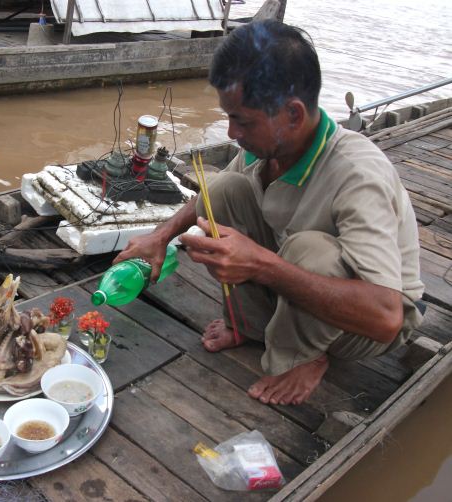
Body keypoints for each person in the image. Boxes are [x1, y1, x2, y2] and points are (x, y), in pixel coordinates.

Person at [113, 20, 424, 406]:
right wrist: (159, 237)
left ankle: (304, 357)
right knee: (224, 190)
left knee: (313, 252)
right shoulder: (268, 147)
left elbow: (386, 317)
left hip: (366, 327)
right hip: (303, 274)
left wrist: (262, 266)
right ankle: (250, 326)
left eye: (241, 120)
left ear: (292, 115)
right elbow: (209, 198)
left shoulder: (360, 175)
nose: (229, 133)